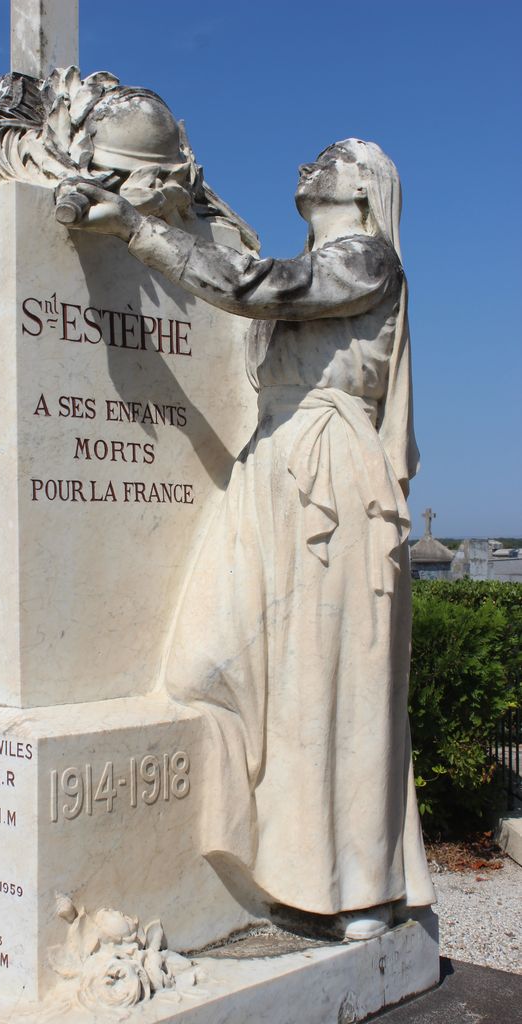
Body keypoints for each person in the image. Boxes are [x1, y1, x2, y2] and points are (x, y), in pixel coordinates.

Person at [61, 139, 436, 939]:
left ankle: (354, 887)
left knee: (330, 681)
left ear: (366, 185)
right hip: (271, 464)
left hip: (331, 475)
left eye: (331, 157)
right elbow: (250, 275)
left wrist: (138, 227)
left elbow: (255, 285)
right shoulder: (318, 266)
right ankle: (275, 857)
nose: (309, 163)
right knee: (208, 656)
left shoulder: (367, 260)